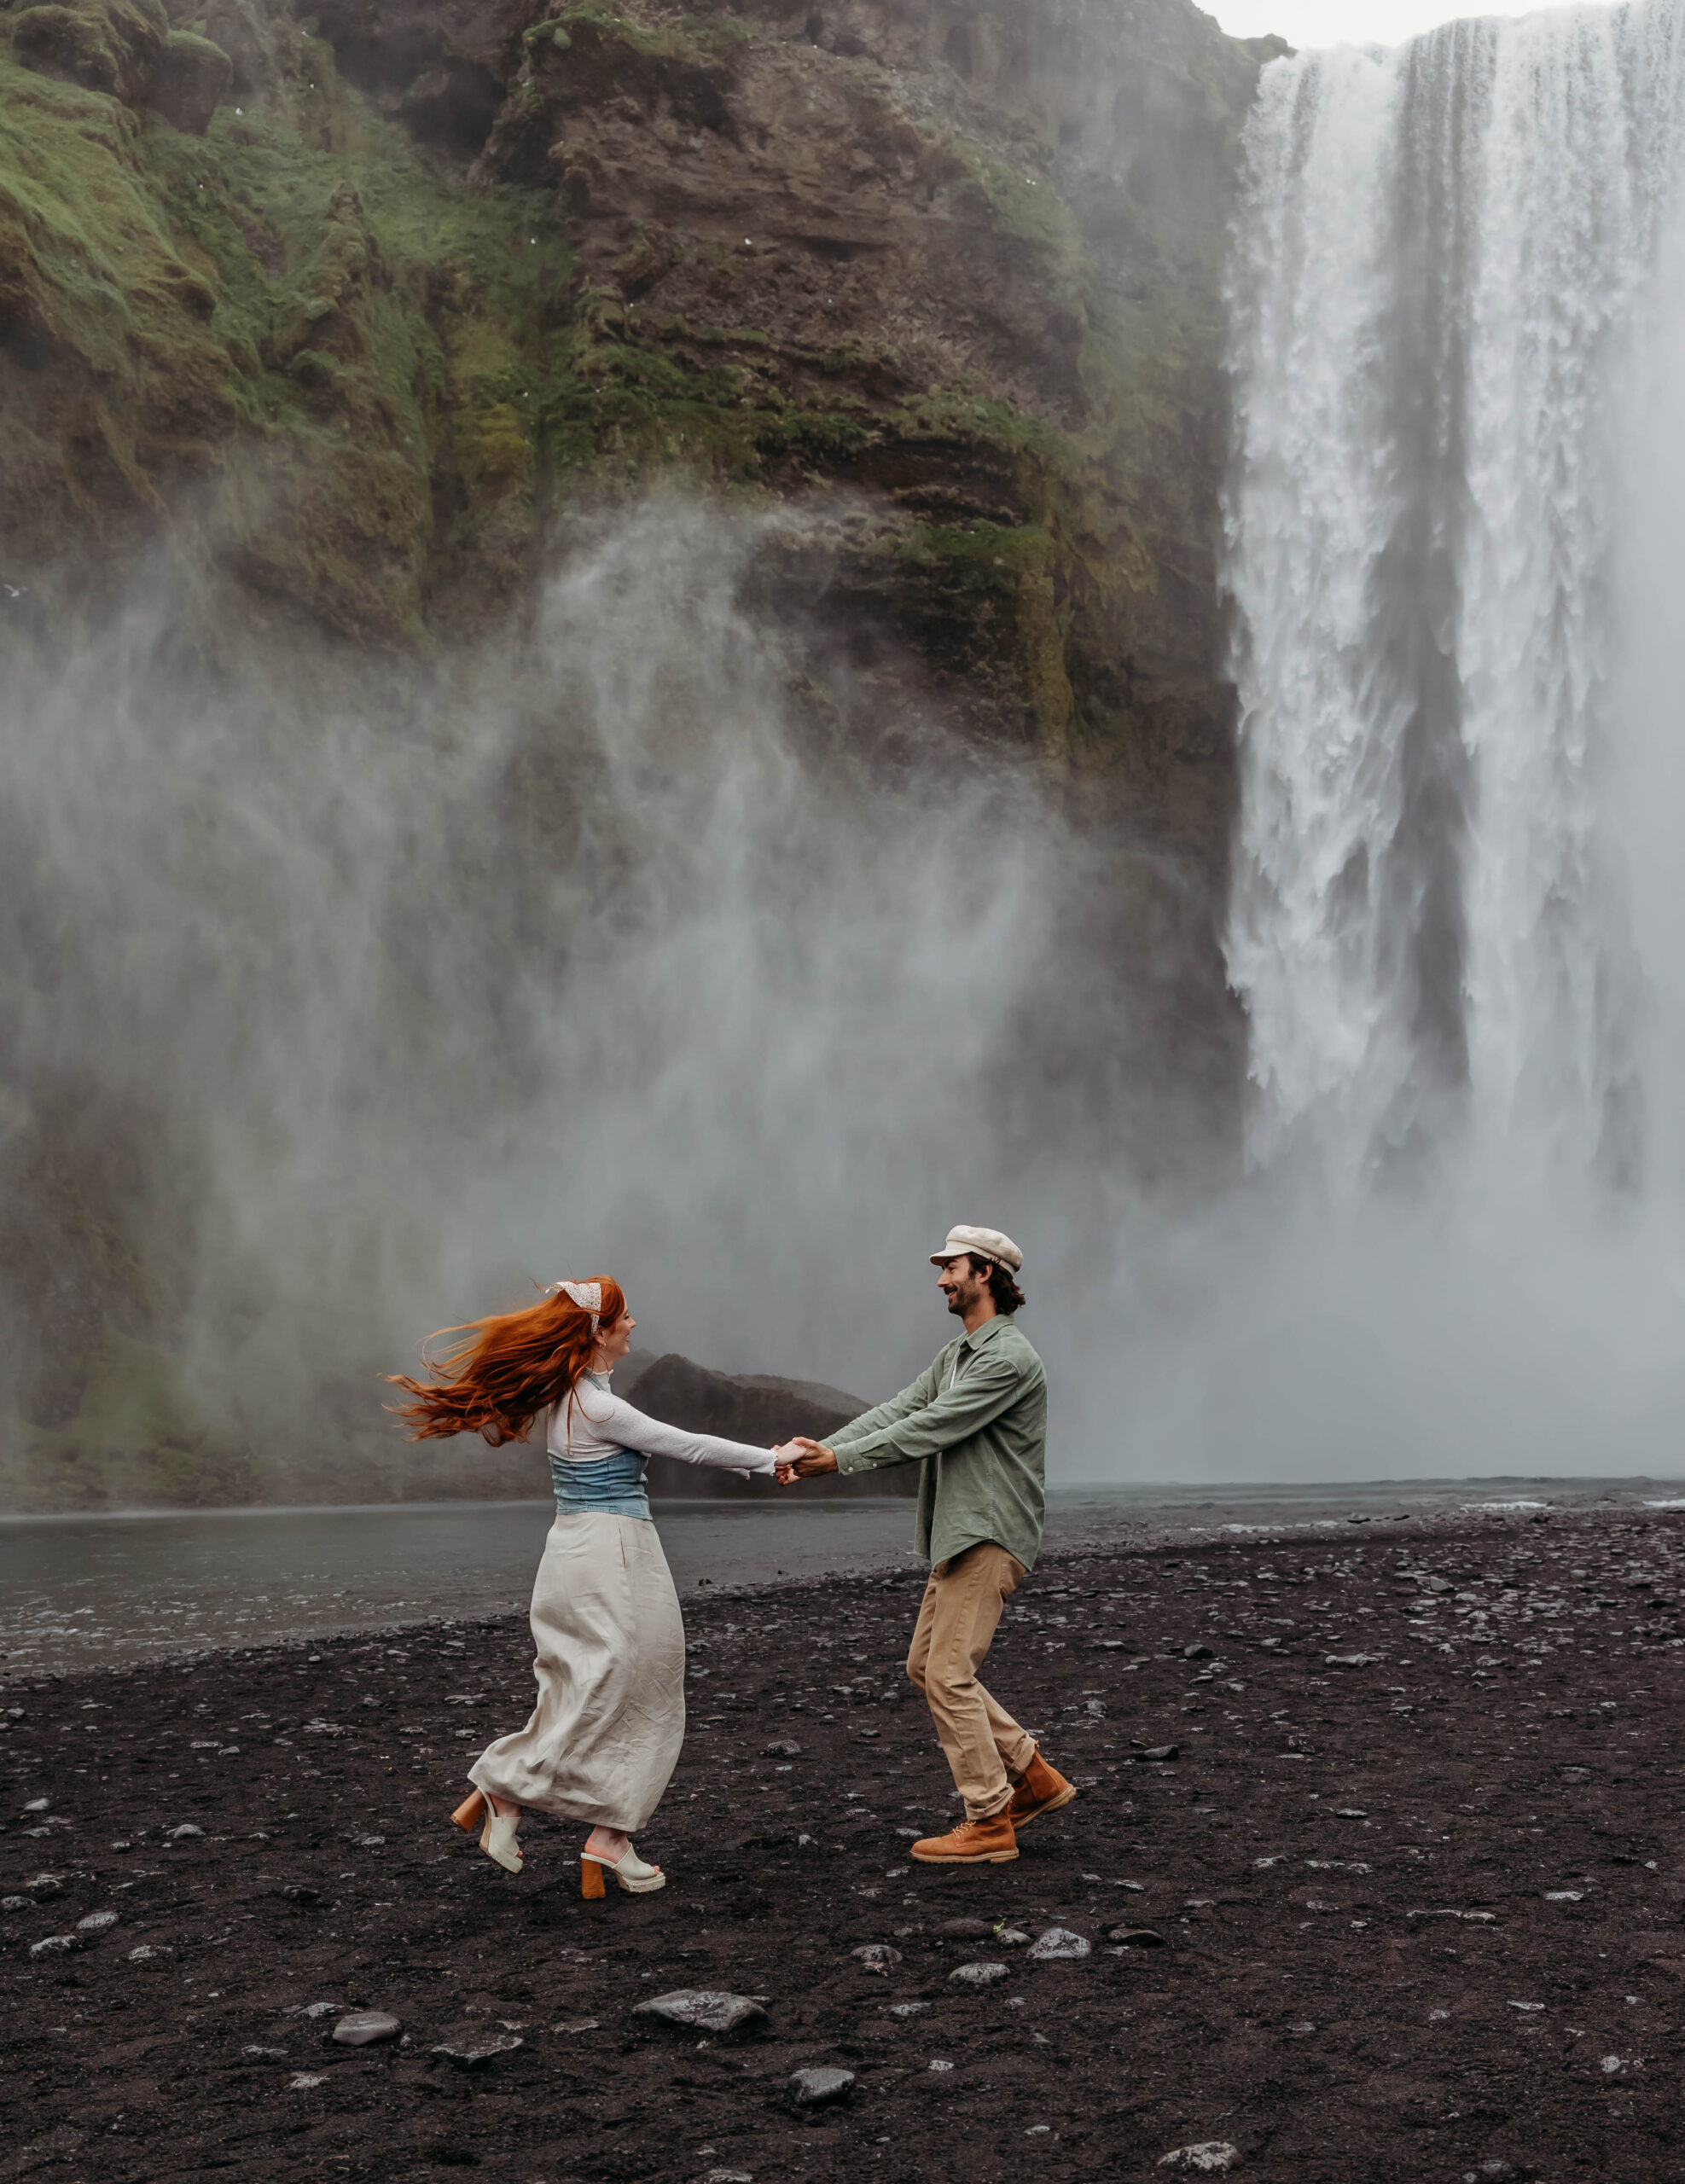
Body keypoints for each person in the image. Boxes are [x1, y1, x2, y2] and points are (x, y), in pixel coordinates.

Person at [386, 1277, 780, 1895]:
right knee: (649, 1682)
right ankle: (568, 1817)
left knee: (581, 1680)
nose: (633, 1325)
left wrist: (764, 1459)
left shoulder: (568, 1397)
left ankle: (531, 1806)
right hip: (615, 1550)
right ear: (598, 1332)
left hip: (570, 1549)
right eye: (623, 1318)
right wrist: (773, 1458)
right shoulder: (601, 1407)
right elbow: (689, 1447)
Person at [776, 1225, 1072, 1865]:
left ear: (985, 1274)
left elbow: (934, 1426)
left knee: (946, 1673)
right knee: (926, 1667)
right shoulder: (956, 1355)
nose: (940, 1279)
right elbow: (899, 1408)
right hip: (960, 1532)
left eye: (951, 1268)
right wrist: (817, 1449)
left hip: (989, 1531)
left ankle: (989, 1819)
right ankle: (1034, 1778)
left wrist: (839, 1463)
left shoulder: (1007, 1359)